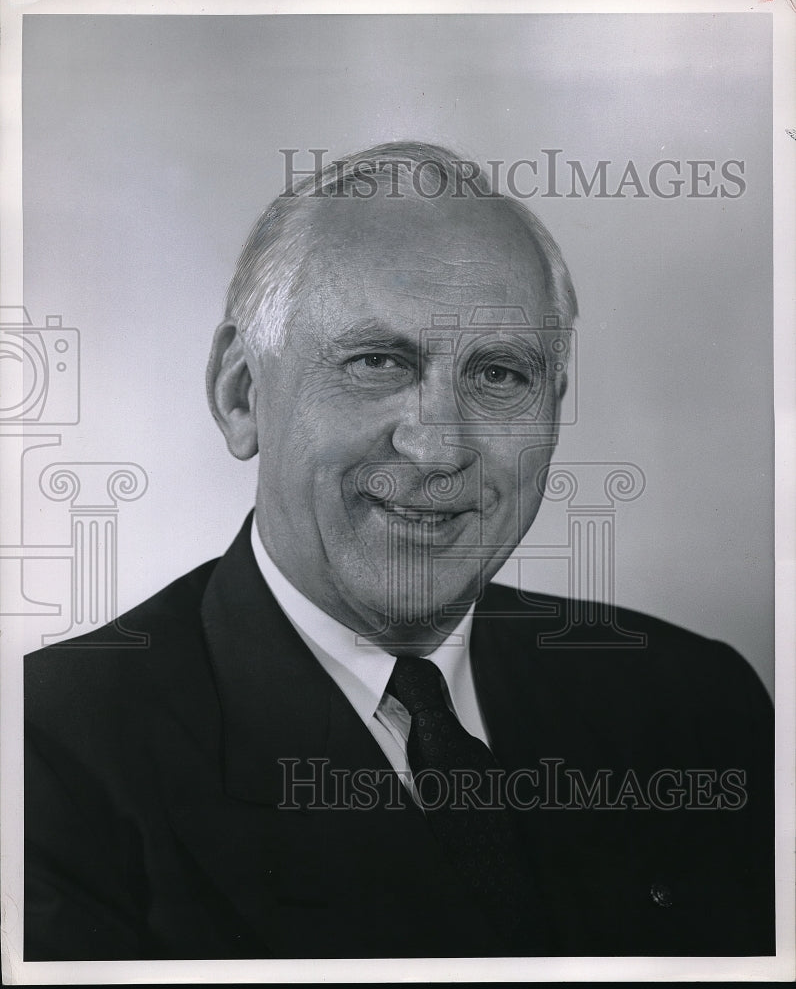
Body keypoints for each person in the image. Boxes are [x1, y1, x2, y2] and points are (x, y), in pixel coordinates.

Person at [24, 142, 774, 961]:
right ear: (241, 394)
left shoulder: (698, 709)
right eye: (377, 362)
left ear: (553, 409)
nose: (439, 447)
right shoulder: (46, 756)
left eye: (499, 375)